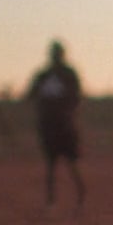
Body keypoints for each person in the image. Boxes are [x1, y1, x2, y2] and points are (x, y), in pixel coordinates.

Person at [27, 40, 85, 209]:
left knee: (70, 163)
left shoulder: (68, 74)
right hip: (49, 126)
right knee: (51, 165)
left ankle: (79, 196)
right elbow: (31, 94)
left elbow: (77, 97)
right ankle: (51, 200)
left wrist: (69, 113)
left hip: (64, 126)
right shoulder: (43, 75)